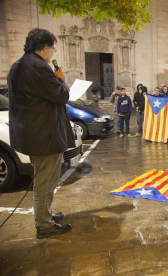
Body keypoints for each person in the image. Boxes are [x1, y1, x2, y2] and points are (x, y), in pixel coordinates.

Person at [8, 28, 74, 238]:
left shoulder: (18, 65)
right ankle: (44, 225)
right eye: (53, 48)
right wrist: (62, 80)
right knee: (45, 180)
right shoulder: (38, 67)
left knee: (44, 178)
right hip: (44, 134)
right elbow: (61, 96)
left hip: (32, 131)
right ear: (45, 47)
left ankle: (45, 214)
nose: (53, 53)